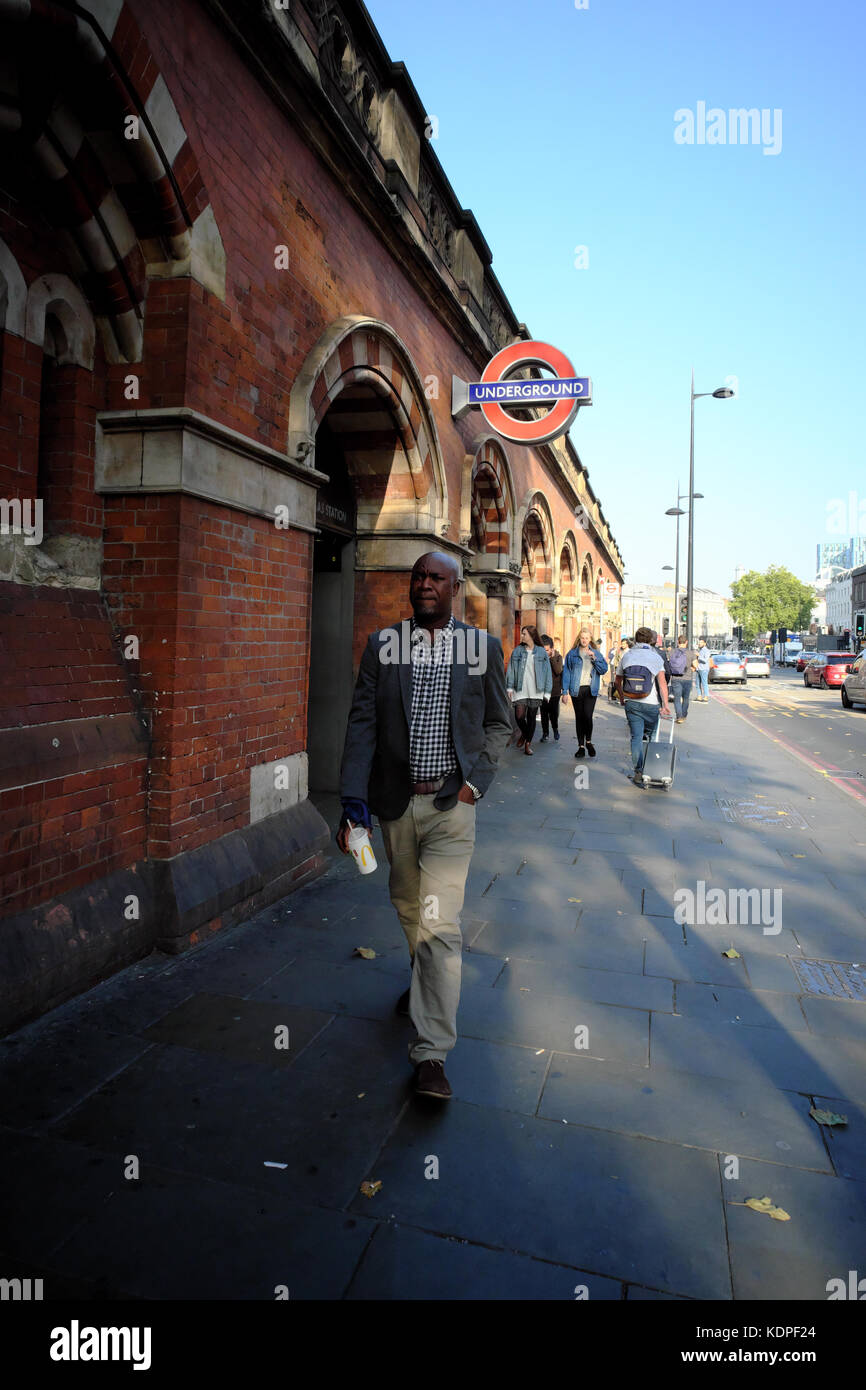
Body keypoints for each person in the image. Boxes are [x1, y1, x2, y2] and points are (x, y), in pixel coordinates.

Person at [337, 552, 511, 1101]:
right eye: (417, 576)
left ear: (456, 587)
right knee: (408, 906)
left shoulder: (480, 648)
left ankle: (431, 1052)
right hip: (394, 805)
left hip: (450, 808)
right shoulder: (382, 646)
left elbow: (498, 723)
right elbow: (362, 723)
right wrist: (351, 801)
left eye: (436, 577)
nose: (424, 584)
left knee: (440, 926)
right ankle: (425, 984)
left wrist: (474, 784)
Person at [614, 625, 672, 785]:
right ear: (650, 640)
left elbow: (617, 681)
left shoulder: (627, 656)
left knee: (636, 737)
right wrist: (665, 704)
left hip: (631, 702)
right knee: (652, 737)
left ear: (636, 639)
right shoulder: (655, 658)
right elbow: (662, 684)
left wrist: (621, 697)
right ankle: (651, 769)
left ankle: (638, 771)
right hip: (651, 703)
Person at [561, 626, 609, 758]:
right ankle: (581, 746)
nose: (584, 640)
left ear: (590, 639)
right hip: (576, 689)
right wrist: (564, 692)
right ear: (579, 638)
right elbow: (567, 673)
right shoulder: (572, 654)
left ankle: (589, 742)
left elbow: (603, 670)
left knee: (588, 716)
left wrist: (594, 658)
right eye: (582, 638)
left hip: (590, 689)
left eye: (587, 638)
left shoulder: (596, 653)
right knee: (579, 718)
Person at [505, 624, 552, 755]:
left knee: (531, 717)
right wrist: (509, 687)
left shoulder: (541, 652)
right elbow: (511, 669)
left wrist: (547, 692)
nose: (522, 636)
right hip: (520, 688)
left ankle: (527, 744)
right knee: (519, 716)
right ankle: (525, 734)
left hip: (536, 689)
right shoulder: (518, 651)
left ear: (531, 636)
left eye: (524, 634)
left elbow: (547, 672)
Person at [668, 634, 698, 722]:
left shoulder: (672, 652)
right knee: (685, 698)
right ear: (686, 642)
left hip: (675, 678)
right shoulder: (690, 653)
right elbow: (696, 665)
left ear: (678, 642)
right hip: (687, 678)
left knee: (677, 698)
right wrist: (692, 668)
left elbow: (668, 663)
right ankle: (684, 715)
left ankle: (679, 716)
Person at [539, 634, 563, 741]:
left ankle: (555, 729)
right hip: (542, 690)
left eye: (547, 650)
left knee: (553, 712)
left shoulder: (558, 657)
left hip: (555, 691)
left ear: (552, 649)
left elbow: (558, 671)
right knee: (544, 712)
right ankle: (545, 733)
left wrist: (552, 658)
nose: (545, 652)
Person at [608, 637, 632, 702]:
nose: (622, 645)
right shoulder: (619, 651)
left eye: (624, 644)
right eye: (621, 644)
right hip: (620, 669)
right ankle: (620, 698)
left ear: (627, 644)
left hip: (627, 670)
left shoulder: (630, 651)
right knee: (619, 684)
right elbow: (615, 660)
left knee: (626, 683)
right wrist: (615, 670)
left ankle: (625, 697)